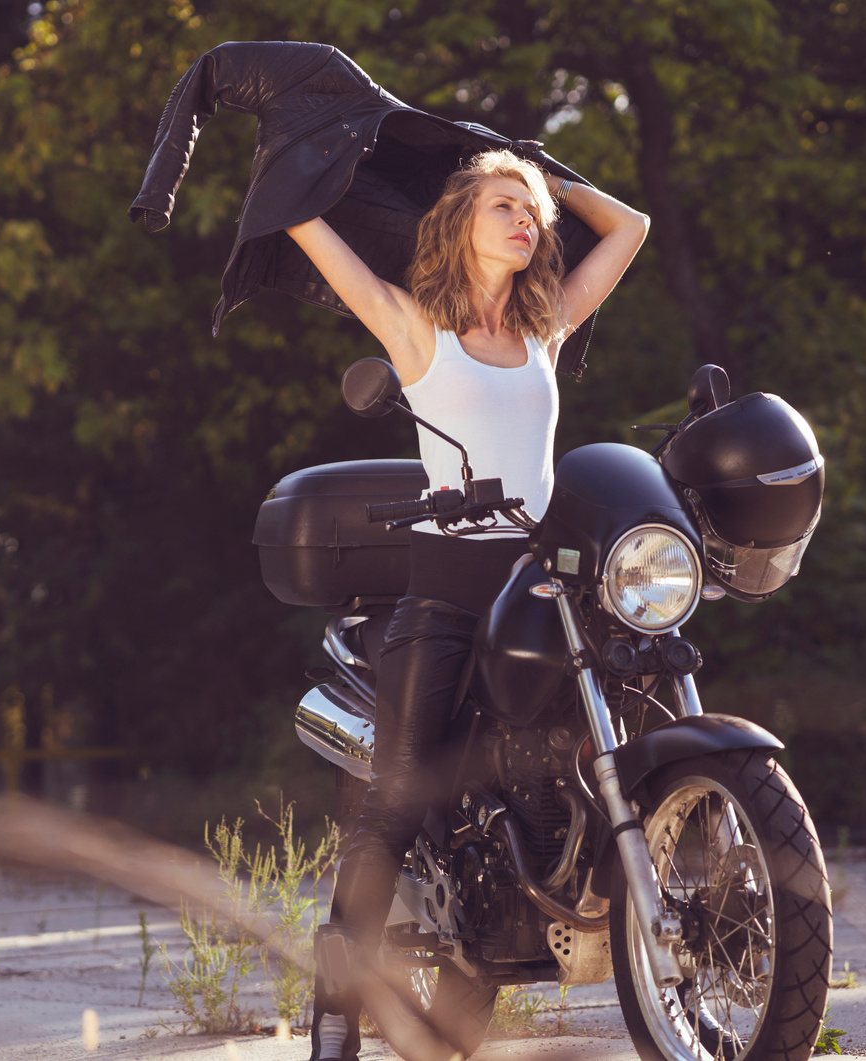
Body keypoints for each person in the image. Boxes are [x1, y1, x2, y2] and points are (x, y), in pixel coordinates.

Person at [284, 149, 649, 1061]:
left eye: (531, 213)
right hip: (445, 588)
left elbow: (632, 228)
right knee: (395, 799)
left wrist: (549, 175)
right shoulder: (417, 330)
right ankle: (335, 1014)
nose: (526, 220)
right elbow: (310, 237)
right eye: (504, 205)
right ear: (459, 224)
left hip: (539, 585)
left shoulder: (546, 327)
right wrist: (288, 169)